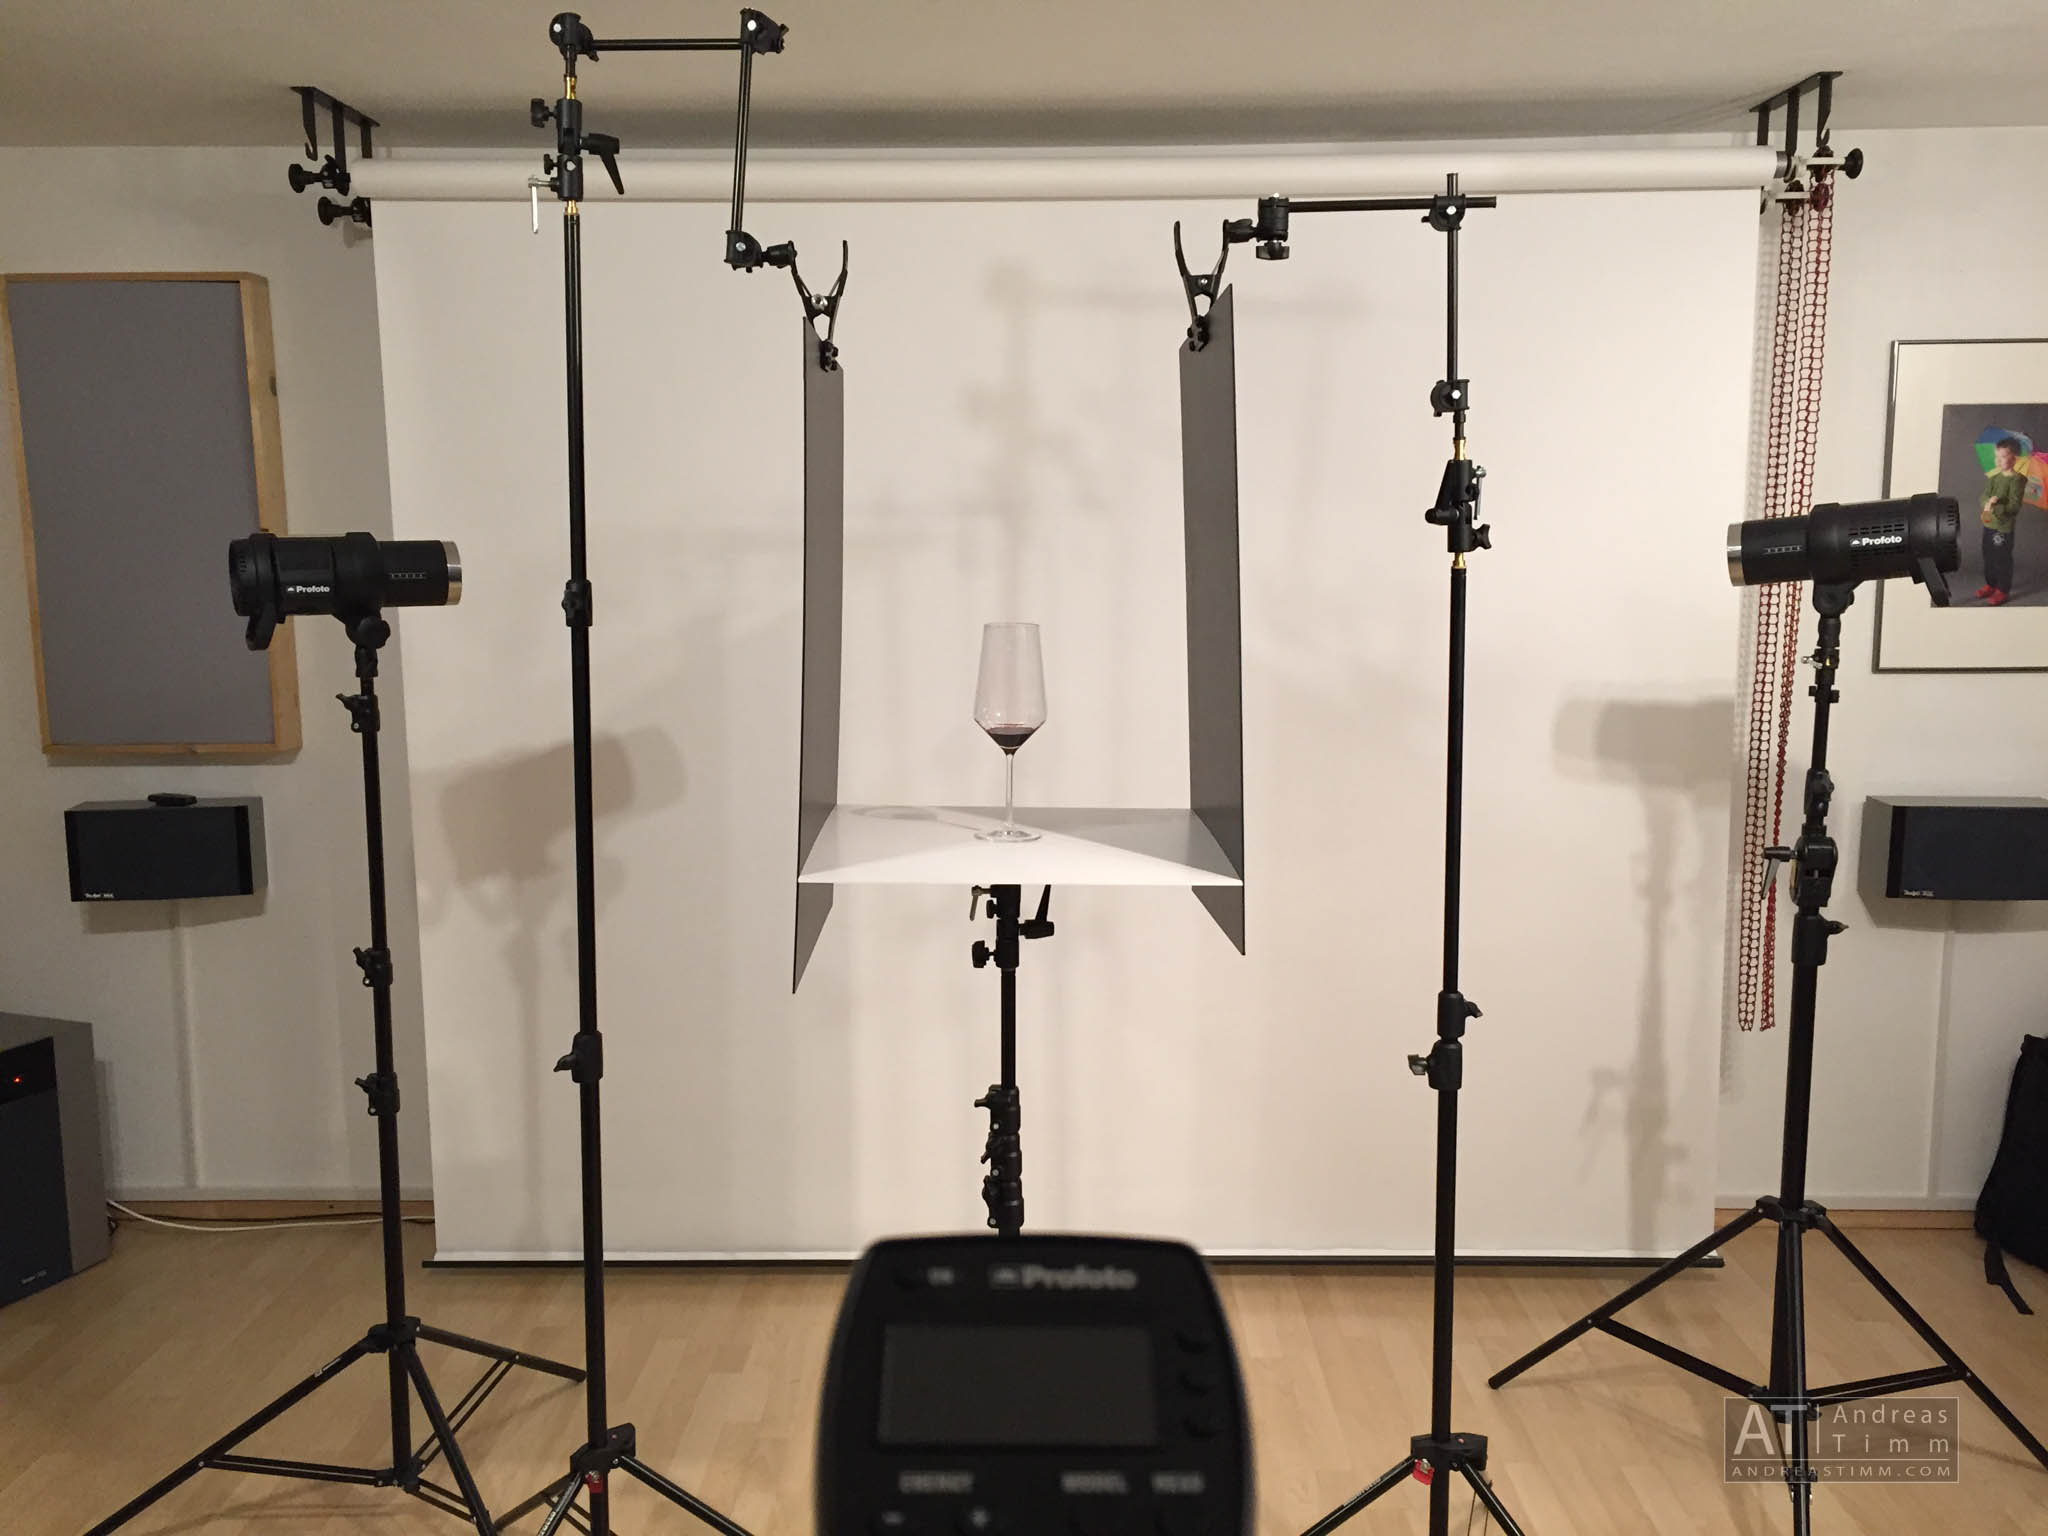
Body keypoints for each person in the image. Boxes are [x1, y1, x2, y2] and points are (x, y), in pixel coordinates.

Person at [1979, 436, 2031, 605]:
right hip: (1989, 524)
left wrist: (1996, 506)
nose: (1998, 460)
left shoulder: (2018, 480)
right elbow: (1984, 496)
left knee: (2002, 558)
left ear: (2014, 458)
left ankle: (2002, 589)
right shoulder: (1994, 478)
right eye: (1997, 456)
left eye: (2003, 456)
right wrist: (1986, 502)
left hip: (2003, 528)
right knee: (1988, 555)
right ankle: (1991, 584)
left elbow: (2014, 507)